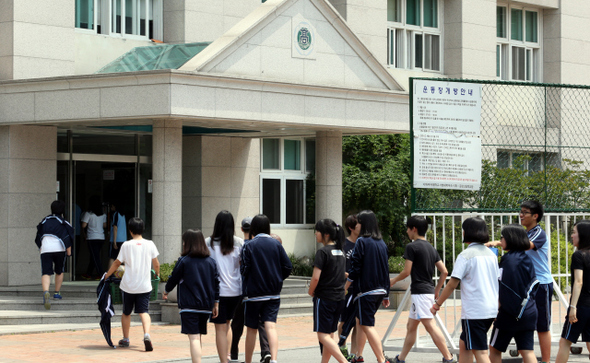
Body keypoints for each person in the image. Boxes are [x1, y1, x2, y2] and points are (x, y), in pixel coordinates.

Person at [487, 201, 552, 363]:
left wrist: (499, 242)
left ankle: (545, 360)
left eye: (525, 212)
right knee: (524, 329)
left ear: (535, 216)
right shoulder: (524, 233)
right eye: (520, 212)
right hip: (522, 283)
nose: (521, 215)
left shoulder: (538, 233)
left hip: (540, 284)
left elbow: (525, 245)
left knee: (542, 326)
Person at [431, 217, 499, 363]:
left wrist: (437, 304)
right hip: (490, 309)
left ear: (467, 232)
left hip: (475, 312)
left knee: (479, 351)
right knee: (465, 344)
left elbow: (452, 284)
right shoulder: (491, 255)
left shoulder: (466, 255)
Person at [390, 216, 454, 363]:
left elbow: (406, 272)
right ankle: (401, 359)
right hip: (426, 291)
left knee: (430, 326)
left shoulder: (411, 247)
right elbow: (444, 271)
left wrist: (393, 280)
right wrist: (437, 290)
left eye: (407, 228)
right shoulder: (431, 248)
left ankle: (449, 358)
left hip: (420, 293)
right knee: (411, 326)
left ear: (414, 229)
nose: (407, 231)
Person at [241, 214, 293, 363]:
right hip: (273, 294)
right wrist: (277, 277)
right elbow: (288, 266)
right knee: (270, 326)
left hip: (254, 295)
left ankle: (248, 361)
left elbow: (244, 269)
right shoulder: (276, 244)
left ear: (254, 228)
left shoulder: (249, 245)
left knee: (251, 329)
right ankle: (274, 360)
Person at [344, 210, 393, 363]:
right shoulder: (382, 243)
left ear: (364, 223)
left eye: (359, 222)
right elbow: (386, 270)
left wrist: (345, 287)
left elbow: (355, 269)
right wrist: (386, 294)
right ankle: (359, 356)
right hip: (379, 291)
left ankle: (381, 359)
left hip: (366, 291)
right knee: (360, 322)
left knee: (367, 325)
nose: (357, 224)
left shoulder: (362, 242)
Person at [104, 217, 160, 352]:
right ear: (143, 229)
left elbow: (117, 263)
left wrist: (108, 274)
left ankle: (126, 338)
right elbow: (156, 263)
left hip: (128, 286)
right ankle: (146, 334)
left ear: (130, 231)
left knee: (126, 312)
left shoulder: (126, 245)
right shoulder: (150, 244)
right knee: (144, 312)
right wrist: (157, 274)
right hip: (144, 285)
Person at [163, 229, 220, 363]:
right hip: (206, 305)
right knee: (198, 337)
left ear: (187, 243)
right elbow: (216, 283)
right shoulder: (211, 262)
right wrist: (216, 303)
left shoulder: (184, 261)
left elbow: (173, 278)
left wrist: (166, 290)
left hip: (189, 305)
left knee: (193, 338)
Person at [489, 224, 539, 363]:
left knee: (494, 349)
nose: (501, 240)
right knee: (527, 351)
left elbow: (503, 287)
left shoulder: (508, 260)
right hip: (528, 310)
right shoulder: (526, 258)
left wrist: (497, 309)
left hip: (510, 313)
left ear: (510, 238)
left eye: (502, 237)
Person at [230, 217, 271, 363]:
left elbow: (242, 268)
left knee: (237, 323)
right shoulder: (260, 245)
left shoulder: (241, 245)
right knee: (260, 322)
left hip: (240, 290)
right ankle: (266, 351)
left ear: (242, 229)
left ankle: (234, 352)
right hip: (257, 289)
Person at [206, 211, 244, 363]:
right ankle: (228, 356)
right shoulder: (239, 242)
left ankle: (224, 360)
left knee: (220, 328)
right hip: (236, 291)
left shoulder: (208, 242)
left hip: (218, 293)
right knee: (227, 324)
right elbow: (241, 265)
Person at [308, 219, 349, 363]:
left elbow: (315, 278)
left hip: (324, 298)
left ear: (326, 234)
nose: (315, 234)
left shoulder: (323, 252)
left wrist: (310, 291)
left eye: (317, 231)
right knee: (330, 334)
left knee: (322, 336)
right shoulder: (341, 251)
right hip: (339, 298)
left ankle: (343, 361)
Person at [555, 221, 590, 363]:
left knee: (565, 342)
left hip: (581, 306)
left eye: (574, 232)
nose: (571, 235)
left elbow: (578, 281)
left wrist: (573, 307)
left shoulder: (578, 255)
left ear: (583, 235)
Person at [35, 200, 74, 310]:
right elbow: (68, 237)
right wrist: (69, 252)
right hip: (59, 249)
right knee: (59, 271)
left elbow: (38, 234)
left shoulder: (44, 221)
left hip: (45, 248)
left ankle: (46, 292)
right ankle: (56, 293)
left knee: (46, 272)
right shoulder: (63, 222)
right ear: (62, 210)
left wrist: (41, 247)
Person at [337, 214, 362, 361]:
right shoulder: (344, 245)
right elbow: (339, 267)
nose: (361, 227)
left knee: (358, 323)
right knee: (345, 322)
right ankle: (342, 346)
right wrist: (349, 275)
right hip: (347, 288)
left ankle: (353, 354)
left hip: (360, 288)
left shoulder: (363, 243)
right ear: (352, 228)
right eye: (359, 225)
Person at [81, 196, 107, 279]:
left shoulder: (88, 214)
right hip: (101, 237)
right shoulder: (103, 214)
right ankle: (88, 273)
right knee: (94, 256)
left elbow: (83, 225)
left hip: (92, 238)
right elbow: (105, 225)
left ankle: (101, 274)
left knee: (95, 257)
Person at [109, 203, 127, 267]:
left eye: (112, 206)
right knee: (123, 258)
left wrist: (114, 242)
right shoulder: (123, 215)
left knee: (112, 257)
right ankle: (126, 274)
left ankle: (109, 274)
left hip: (117, 239)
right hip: (123, 239)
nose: (111, 208)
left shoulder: (116, 214)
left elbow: (115, 228)